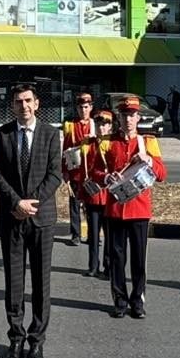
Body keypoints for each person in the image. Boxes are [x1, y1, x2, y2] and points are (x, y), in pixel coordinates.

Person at [0, 83, 64, 358]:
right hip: (12, 217)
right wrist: (16, 203)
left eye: (28, 101)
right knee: (14, 281)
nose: (24, 106)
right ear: (12, 106)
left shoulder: (50, 134)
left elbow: (55, 174)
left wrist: (31, 203)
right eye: (18, 102)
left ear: (37, 103)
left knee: (41, 283)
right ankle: (15, 338)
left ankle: (36, 341)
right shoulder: (2, 135)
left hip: (41, 219)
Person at [89, 95, 167, 321]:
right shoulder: (107, 142)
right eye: (124, 115)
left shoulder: (148, 142)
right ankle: (120, 300)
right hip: (114, 208)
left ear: (138, 117)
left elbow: (162, 174)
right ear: (118, 118)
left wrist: (149, 160)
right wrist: (106, 177)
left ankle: (137, 300)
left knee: (138, 259)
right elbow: (94, 171)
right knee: (116, 258)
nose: (128, 119)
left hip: (140, 209)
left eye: (132, 115)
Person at [71, 108, 115, 277]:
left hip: (109, 195)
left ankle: (109, 266)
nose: (101, 127)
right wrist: (81, 194)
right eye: (98, 124)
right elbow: (83, 171)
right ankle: (93, 266)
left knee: (110, 235)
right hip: (92, 195)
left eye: (105, 124)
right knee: (93, 233)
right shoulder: (87, 142)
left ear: (110, 126)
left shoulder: (113, 142)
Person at [60, 92, 96, 246]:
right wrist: (65, 171)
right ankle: (75, 235)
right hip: (75, 173)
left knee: (91, 206)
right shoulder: (70, 126)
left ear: (91, 107)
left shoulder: (97, 125)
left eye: (86, 107)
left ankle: (92, 235)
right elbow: (65, 150)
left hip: (92, 174)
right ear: (77, 108)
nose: (83, 110)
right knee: (74, 205)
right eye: (81, 107)